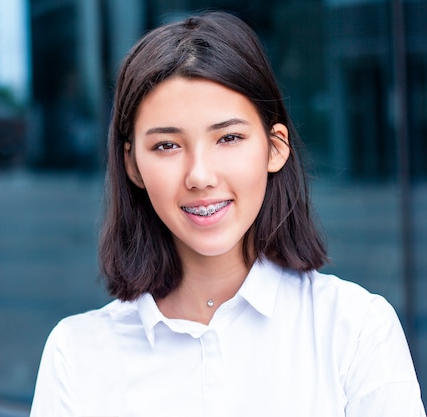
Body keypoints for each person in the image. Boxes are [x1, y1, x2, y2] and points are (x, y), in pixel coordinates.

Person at [29, 11, 425, 417]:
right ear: (132, 165)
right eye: (167, 145)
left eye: (229, 138)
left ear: (274, 148)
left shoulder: (354, 330)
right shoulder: (76, 354)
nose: (200, 175)